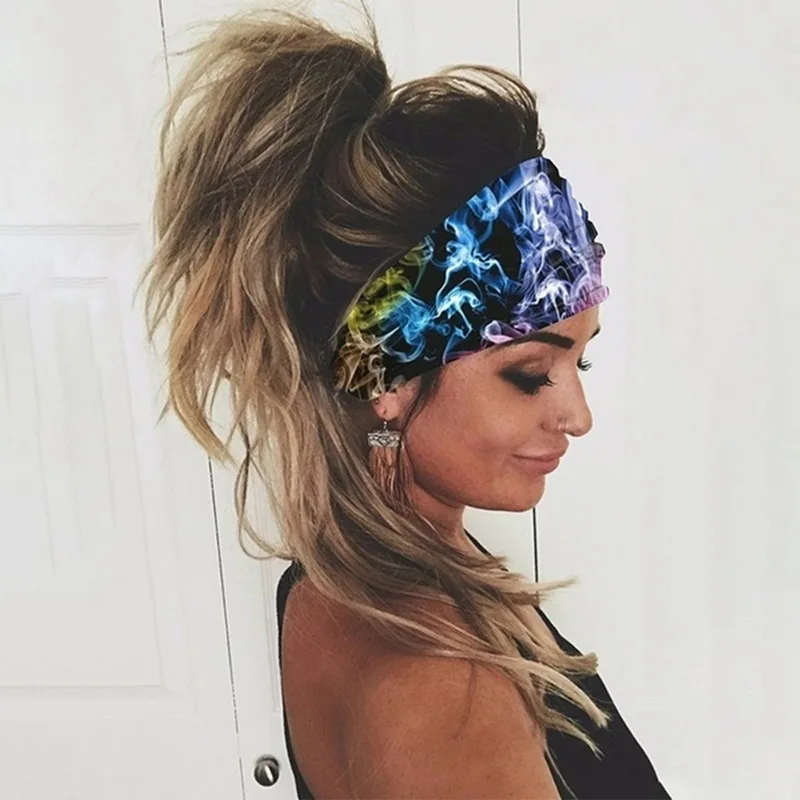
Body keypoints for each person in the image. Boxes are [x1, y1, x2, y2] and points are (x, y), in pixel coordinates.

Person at [139, 3, 671, 798]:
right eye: (531, 373)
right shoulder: (443, 690)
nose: (578, 417)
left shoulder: (333, 581)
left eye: (581, 362)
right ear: (387, 376)